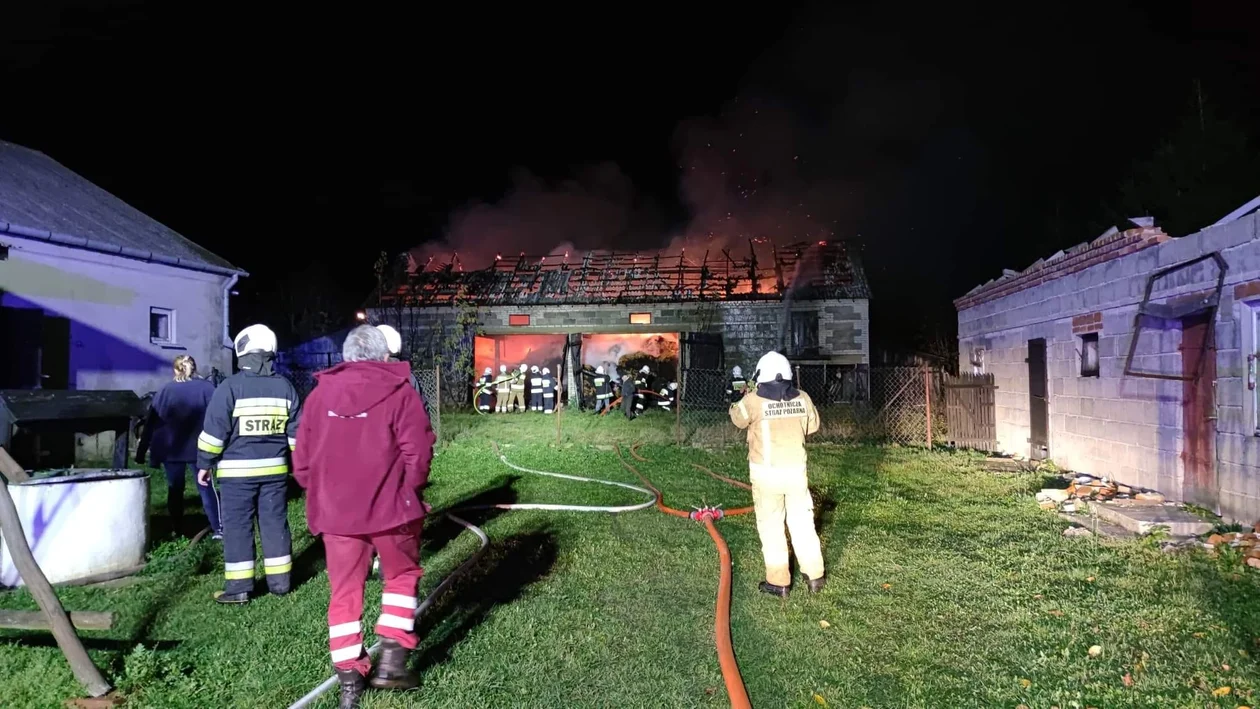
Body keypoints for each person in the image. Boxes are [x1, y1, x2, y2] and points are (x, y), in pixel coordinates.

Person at [293, 325, 435, 707]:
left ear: (346, 356)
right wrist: (411, 490)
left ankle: (349, 684)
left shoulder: (319, 396)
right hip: (393, 511)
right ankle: (392, 661)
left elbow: (302, 461)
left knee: (344, 593)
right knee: (402, 577)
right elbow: (418, 452)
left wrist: (320, 492)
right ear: (383, 355)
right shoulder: (400, 392)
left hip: (337, 515)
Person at [197, 324, 301, 604]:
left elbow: (214, 433)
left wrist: (204, 463)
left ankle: (240, 588)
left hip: (236, 476)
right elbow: (297, 435)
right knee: (275, 523)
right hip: (276, 473)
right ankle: (280, 583)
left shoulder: (230, 387)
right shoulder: (285, 387)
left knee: (237, 527)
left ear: (243, 351)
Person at [728, 351, 825, 598]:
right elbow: (812, 426)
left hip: (766, 474)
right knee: (803, 522)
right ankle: (815, 576)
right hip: (796, 472)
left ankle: (779, 581)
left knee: (771, 526)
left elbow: (737, 419)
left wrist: (741, 397)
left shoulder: (753, 401)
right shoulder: (803, 398)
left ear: (761, 376)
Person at [137, 355, 221, 539]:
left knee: (175, 489)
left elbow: (151, 421)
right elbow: (219, 416)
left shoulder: (165, 390)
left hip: (171, 449)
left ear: (175, 370)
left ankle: (177, 528)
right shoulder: (207, 388)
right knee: (205, 487)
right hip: (200, 448)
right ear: (194, 368)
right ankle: (218, 528)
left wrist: (141, 451)